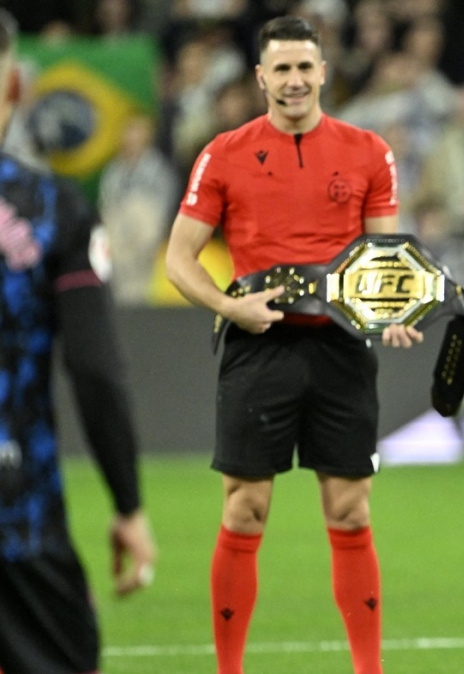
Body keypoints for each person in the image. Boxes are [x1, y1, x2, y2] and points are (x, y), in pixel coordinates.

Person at [163, 16, 421, 674]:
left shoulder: (368, 151)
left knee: (350, 506)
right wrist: (228, 305)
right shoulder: (223, 153)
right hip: (260, 344)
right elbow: (178, 259)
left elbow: (383, 256)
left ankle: (369, 670)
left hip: (340, 345)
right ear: (260, 78)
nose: (295, 80)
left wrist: (389, 308)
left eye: (306, 67)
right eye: (281, 69)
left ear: (324, 71)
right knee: (246, 510)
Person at [0, 9, 157, 674]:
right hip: (19, 521)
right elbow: (94, 368)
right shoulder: (51, 206)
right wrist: (127, 504)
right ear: (14, 87)